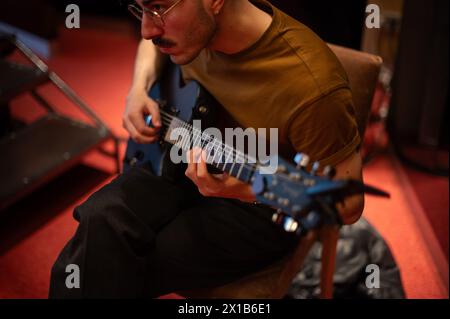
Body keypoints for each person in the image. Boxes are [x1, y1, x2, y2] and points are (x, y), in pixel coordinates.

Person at [49, 0, 364, 298]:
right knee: (99, 218)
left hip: (258, 206)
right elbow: (150, 44)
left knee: (110, 263)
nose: (146, 30)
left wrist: (247, 190)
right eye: (142, 9)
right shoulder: (188, 30)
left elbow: (349, 203)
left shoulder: (314, 89)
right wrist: (138, 88)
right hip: (179, 158)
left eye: (158, 8)